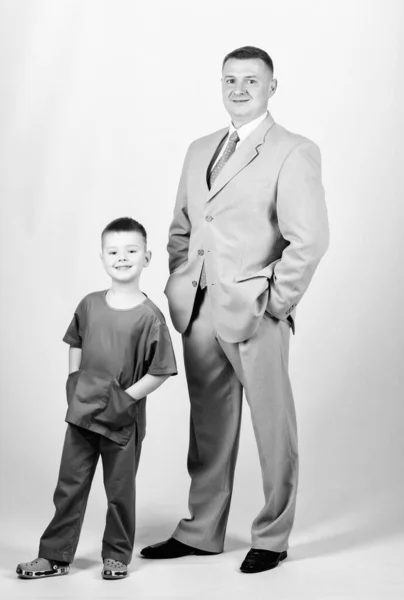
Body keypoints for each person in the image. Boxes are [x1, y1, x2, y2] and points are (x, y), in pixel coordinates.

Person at [141, 46, 329, 574]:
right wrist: (183, 278)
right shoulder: (200, 148)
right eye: (230, 80)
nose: (239, 89)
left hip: (256, 311)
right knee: (208, 430)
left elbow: (309, 240)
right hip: (200, 310)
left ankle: (272, 536)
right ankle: (201, 532)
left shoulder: (293, 150)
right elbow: (181, 227)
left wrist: (276, 302)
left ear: (273, 86)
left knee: (273, 430)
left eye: (251, 80)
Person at [16, 217, 177, 580]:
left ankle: (116, 555)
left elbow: (161, 369)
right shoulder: (89, 304)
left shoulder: (150, 317)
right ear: (102, 257)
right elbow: (76, 339)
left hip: (121, 422)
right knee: (69, 485)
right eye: (114, 251)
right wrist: (74, 380)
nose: (123, 258)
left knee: (120, 492)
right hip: (83, 413)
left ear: (147, 257)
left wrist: (125, 399)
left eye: (132, 251)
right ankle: (55, 555)